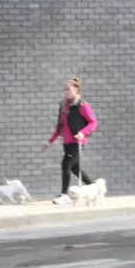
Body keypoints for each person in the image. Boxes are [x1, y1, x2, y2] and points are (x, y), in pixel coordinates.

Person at [45, 76, 100, 204]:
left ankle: (65, 195)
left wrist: (82, 132)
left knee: (65, 165)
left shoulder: (82, 106)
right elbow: (60, 126)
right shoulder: (64, 106)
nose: (66, 91)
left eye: (68, 89)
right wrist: (51, 140)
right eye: (65, 89)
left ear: (76, 90)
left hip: (77, 142)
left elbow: (93, 123)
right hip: (67, 143)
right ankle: (94, 187)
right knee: (75, 169)